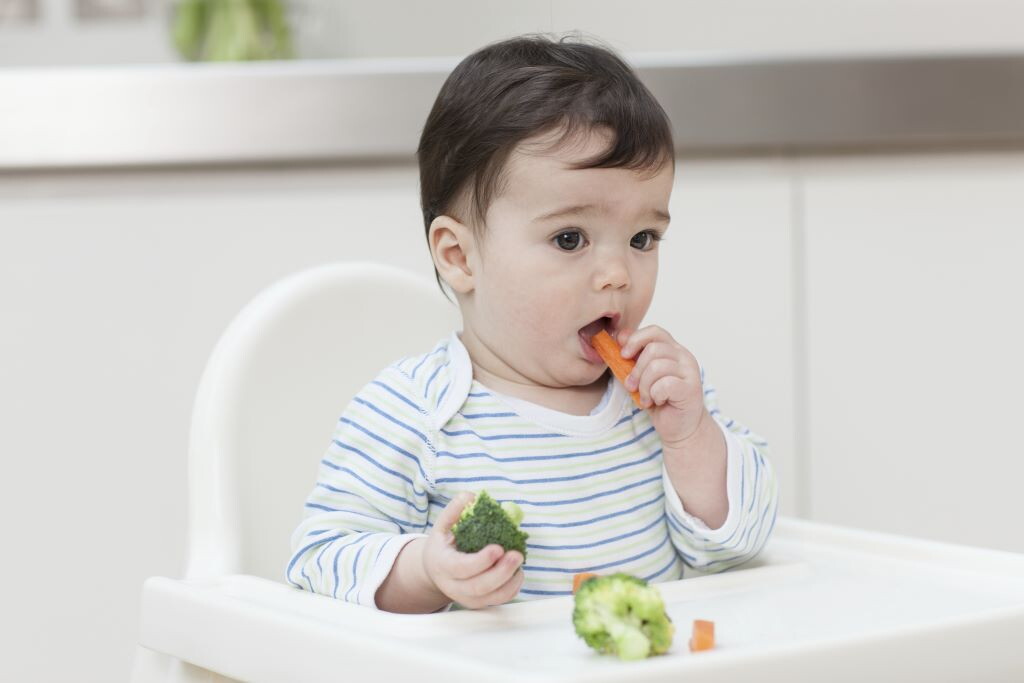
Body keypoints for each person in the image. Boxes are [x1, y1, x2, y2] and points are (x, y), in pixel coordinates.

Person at [286, 33, 778, 613]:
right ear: (459, 256)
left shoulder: (662, 401)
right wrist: (425, 568)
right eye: (570, 238)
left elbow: (741, 546)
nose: (618, 273)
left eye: (643, 238)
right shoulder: (412, 414)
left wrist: (692, 438)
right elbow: (319, 561)